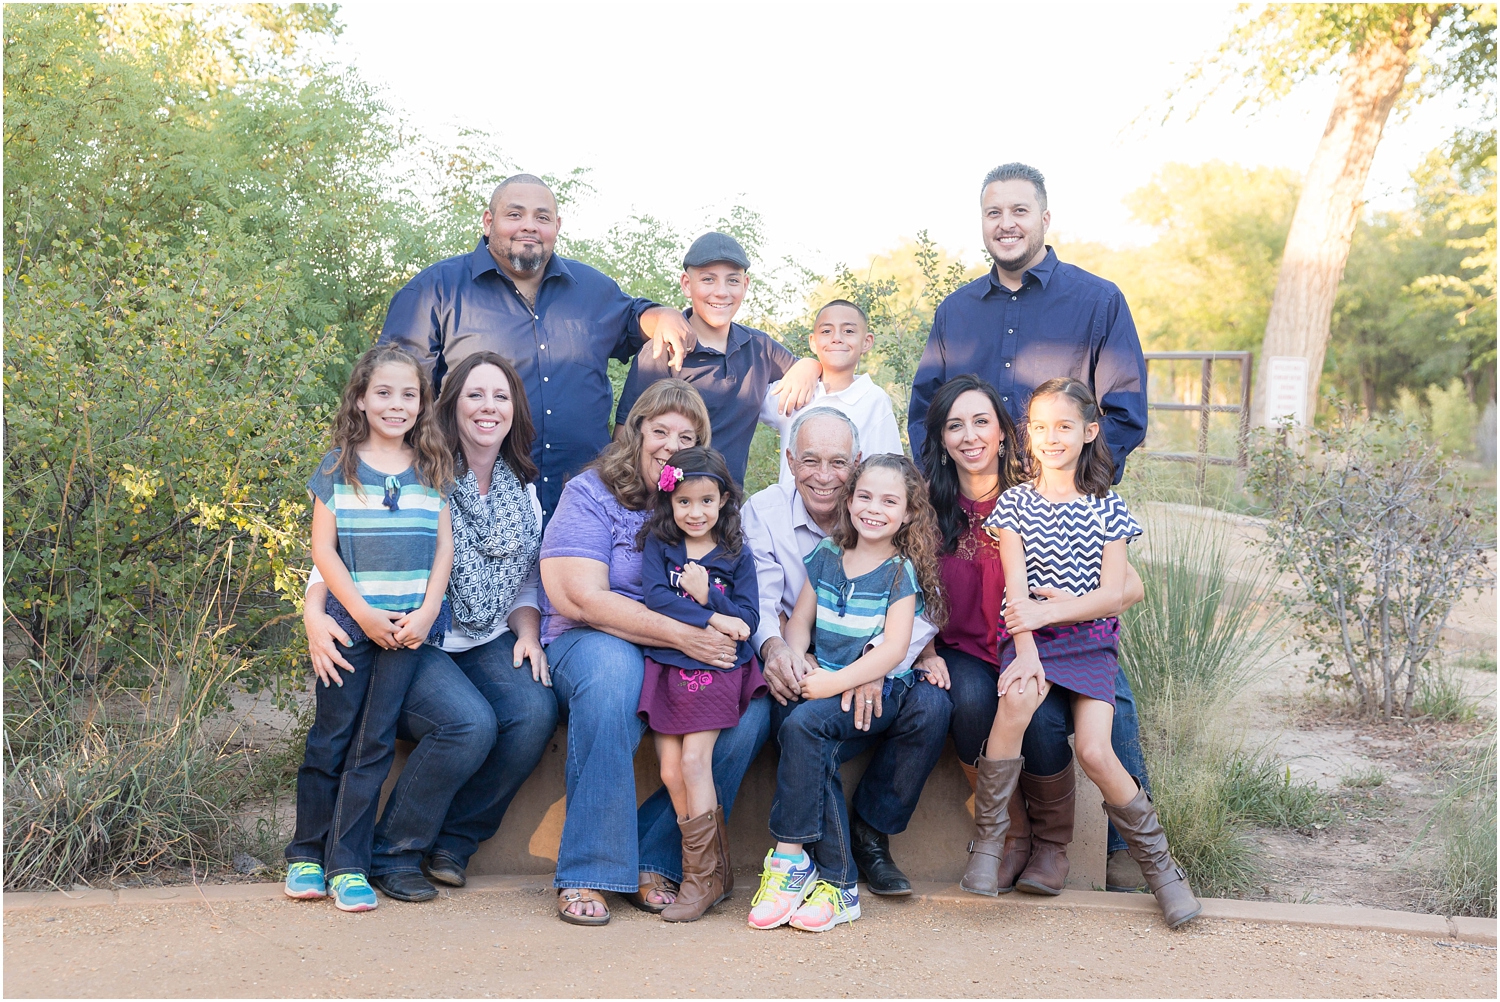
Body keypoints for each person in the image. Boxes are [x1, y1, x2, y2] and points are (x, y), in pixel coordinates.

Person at [910, 162, 1156, 892]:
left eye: (1020, 210)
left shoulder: (1096, 302)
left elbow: (1124, 412)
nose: (1006, 223)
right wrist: (947, 499)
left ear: (1045, 218)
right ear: (982, 222)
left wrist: (1063, 489)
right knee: (993, 664)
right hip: (979, 510)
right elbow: (929, 410)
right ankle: (1013, 834)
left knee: (1098, 675)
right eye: (993, 212)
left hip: (1067, 517)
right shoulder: (957, 311)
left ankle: (1122, 852)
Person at [301, 351, 557, 903]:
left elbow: (526, 581)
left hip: (486, 635)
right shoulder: (419, 464)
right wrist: (312, 612)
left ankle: (454, 842)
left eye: (501, 396)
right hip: (416, 636)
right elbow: (345, 545)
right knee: (468, 724)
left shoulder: (522, 492)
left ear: (515, 410)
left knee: (534, 711)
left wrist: (530, 632)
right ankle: (392, 851)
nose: (488, 408)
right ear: (449, 405)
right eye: (475, 395)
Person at [963, 377, 1200, 929]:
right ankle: (989, 845)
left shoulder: (1107, 508)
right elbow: (1016, 596)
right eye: (1040, 427)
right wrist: (1026, 650)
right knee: (1017, 702)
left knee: (1096, 749)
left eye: (1064, 427)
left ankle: (1163, 870)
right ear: (1027, 435)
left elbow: (1114, 595)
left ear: (1089, 432)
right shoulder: (1015, 505)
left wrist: (1054, 610)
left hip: (1090, 641)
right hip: (1031, 640)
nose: (1051, 438)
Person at [538, 380, 771, 926]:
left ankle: (664, 859)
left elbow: (741, 591)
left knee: (751, 704)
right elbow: (579, 595)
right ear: (636, 432)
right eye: (659, 429)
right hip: (596, 639)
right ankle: (589, 870)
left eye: (684, 435)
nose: (669, 443)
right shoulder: (591, 492)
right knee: (615, 675)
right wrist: (681, 633)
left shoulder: (701, 509)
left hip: (678, 652)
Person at [919, 374, 1144, 896]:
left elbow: (1128, 587)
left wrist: (1065, 608)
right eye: (955, 426)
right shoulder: (928, 503)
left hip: (1046, 643)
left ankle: (1051, 845)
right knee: (972, 702)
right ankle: (1010, 836)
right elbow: (905, 580)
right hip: (970, 647)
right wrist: (926, 650)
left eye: (982, 422)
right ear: (942, 438)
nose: (970, 436)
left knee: (1042, 717)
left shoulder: (1041, 485)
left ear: (1004, 432)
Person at [380, 173, 697, 520]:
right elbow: (396, 395)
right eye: (514, 215)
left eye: (542, 217)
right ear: (488, 222)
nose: (529, 226)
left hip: (583, 510)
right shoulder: (435, 290)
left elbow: (634, 319)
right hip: (471, 510)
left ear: (557, 226)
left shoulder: (592, 289)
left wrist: (661, 314)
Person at [743, 407, 949, 897]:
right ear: (789, 461)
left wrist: (868, 668)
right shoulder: (776, 519)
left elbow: (916, 620)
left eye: (837, 463)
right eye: (810, 460)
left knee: (933, 706)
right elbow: (773, 608)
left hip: (875, 665)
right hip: (814, 662)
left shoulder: (897, 547)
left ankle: (868, 835)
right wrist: (789, 655)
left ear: (854, 465)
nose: (823, 476)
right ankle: (831, 870)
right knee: (798, 721)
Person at [284, 345, 454, 912]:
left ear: (422, 403)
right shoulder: (339, 466)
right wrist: (357, 612)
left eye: (409, 394)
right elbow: (322, 550)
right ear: (361, 398)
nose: (396, 404)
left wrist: (429, 611)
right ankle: (307, 853)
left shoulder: (433, 464)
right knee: (331, 739)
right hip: (350, 626)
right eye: (383, 392)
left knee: (374, 744)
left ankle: (349, 865)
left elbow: (443, 551)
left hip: (407, 630)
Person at [637, 446, 765, 922]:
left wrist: (707, 591)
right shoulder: (660, 545)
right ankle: (718, 871)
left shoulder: (736, 554)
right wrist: (710, 613)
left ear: (723, 500)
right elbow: (654, 599)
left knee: (694, 761)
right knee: (670, 771)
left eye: (707, 501)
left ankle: (699, 878)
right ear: (670, 501)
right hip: (667, 666)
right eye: (685, 502)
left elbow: (747, 622)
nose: (696, 512)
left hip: (717, 669)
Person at [614, 231, 821, 483]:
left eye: (732, 281)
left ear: (745, 285)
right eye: (708, 279)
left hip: (726, 509)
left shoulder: (760, 348)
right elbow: (624, 441)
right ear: (687, 285)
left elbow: (817, 375)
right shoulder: (662, 351)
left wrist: (810, 365)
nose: (721, 292)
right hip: (668, 507)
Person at [762, 299, 904, 487]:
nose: (837, 338)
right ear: (812, 341)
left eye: (849, 331)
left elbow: (888, 472)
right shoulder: (794, 388)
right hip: (791, 514)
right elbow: (741, 402)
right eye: (826, 331)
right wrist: (807, 364)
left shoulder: (873, 400)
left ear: (867, 342)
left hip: (847, 514)